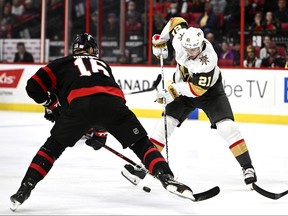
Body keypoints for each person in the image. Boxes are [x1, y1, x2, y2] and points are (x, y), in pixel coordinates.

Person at [10, 33, 193, 211]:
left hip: (79, 108)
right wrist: (99, 132)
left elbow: (32, 87)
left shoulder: (63, 63)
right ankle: (166, 176)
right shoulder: (103, 64)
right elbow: (103, 103)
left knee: (51, 149)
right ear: (91, 49)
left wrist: (50, 103)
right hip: (114, 106)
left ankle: (24, 189)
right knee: (141, 144)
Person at [150, 17, 257, 186]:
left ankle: (247, 167)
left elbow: (197, 90)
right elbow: (175, 21)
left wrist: (173, 91)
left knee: (227, 128)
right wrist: (160, 41)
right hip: (183, 87)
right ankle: (147, 163)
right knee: (164, 124)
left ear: (201, 44)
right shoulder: (179, 39)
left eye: (194, 49)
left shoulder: (209, 59)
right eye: (188, 49)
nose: (191, 52)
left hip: (210, 94)